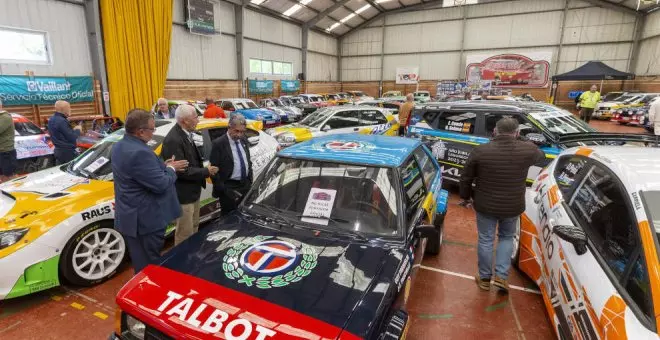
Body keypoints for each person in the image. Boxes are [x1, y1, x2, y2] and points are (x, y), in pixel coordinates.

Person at [459, 117, 545, 293]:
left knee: (486, 239)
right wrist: (520, 139)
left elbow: (466, 178)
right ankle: (501, 276)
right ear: (517, 133)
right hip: (512, 205)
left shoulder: (481, 151)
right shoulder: (527, 150)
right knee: (506, 237)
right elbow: (540, 155)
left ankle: (484, 278)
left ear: (495, 131)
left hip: (485, 204)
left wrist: (466, 197)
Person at [111, 108, 188, 273]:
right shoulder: (140, 152)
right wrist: (171, 169)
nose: (153, 133)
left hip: (131, 217)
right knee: (148, 264)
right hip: (146, 221)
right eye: (152, 129)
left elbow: (139, 175)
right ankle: (148, 293)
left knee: (140, 259)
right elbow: (160, 184)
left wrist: (162, 166)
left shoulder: (119, 146)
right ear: (140, 132)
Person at [161, 105, 219, 245]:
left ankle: (191, 254)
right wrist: (206, 171)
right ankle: (183, 260)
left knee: (193, 226)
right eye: (195, 118)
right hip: (184, 196)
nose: (198, 121)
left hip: (193, 192)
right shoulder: (173, 140)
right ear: (185, 121)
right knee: (184, 233)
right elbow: (181, 171)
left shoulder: (185, 133)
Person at [210, 114, 253, 216]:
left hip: (245, 186)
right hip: (229, 189)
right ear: (229, 127)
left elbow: (248, 161)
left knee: (245, 217)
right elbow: (213, 171)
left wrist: (250, 180)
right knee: (229, 221)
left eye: (242, 132)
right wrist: (224, 190)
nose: (239, 135)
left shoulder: (243, 140)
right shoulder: (219, 144)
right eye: (236, 131)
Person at [47, 100, 82, 164]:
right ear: (64, 109)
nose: (70, 109)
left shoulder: (51, 119)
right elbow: (72, 137)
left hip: (58, 152)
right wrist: (78, 130)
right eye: (69, 108)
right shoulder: (62, 121)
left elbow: (61, 134)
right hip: (67, 153)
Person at [0, 99, 17, 183]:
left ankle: (18, 193)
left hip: (6, 152)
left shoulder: (5, 117)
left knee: (10, 177)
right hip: (2, 152)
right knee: (3, 177)